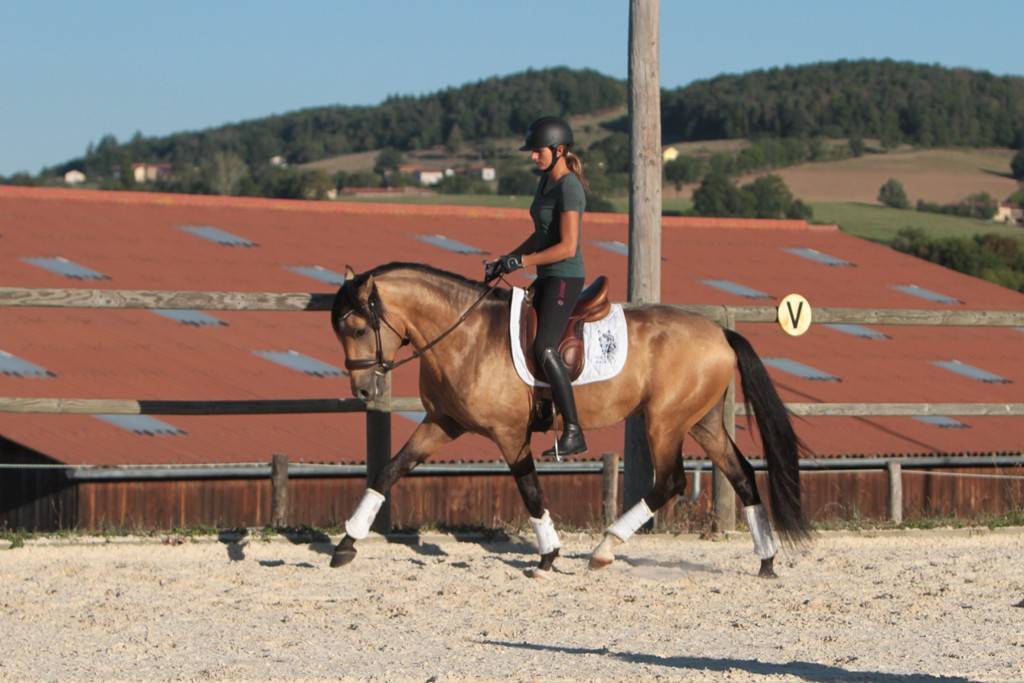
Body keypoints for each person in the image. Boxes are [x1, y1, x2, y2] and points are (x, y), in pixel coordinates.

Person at [485, 116, 588, 457]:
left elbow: (567, 247)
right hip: (546, 276)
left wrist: (523, 262)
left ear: (558, 150)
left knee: (544, 347)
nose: (532, 156)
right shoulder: (545, 182)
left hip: (565, 278)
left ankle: (573, 430)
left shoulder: (570, 188)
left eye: (537, 151)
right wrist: (508, 259)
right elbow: (541, 235)